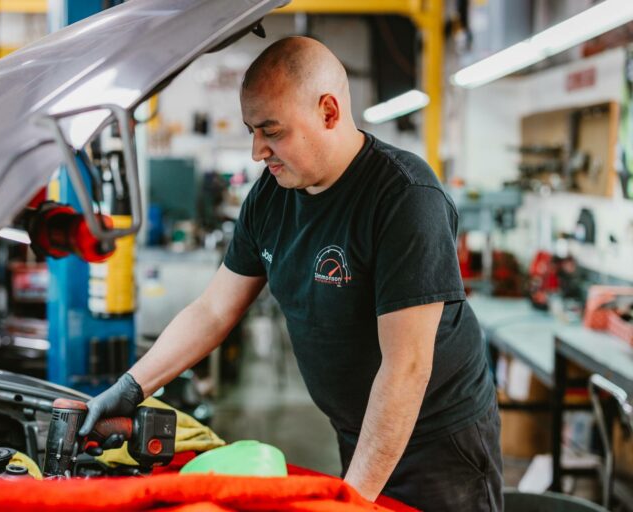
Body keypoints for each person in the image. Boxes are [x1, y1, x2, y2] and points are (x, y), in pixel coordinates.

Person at [79, 36, 503, 511]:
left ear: (328, 112)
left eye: (272, 130)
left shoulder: (405, 198)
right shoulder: (271, 196)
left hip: (440, 445)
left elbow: (405, 368)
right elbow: (214, 309)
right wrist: (131, 387)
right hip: (361, 430)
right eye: (251, 131)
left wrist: (351, 502)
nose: (258, 150)